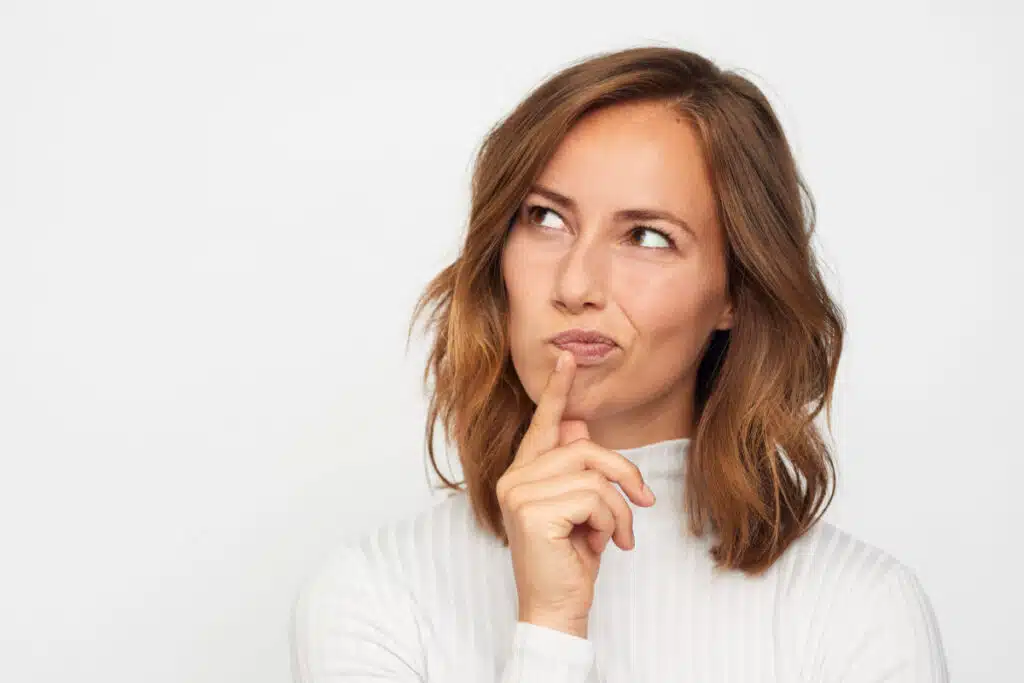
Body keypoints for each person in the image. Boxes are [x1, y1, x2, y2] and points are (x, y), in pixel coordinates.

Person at [289, 46, 949, 682]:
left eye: (648, 236)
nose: (576, 284)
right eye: (545, 218)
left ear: (736, 292)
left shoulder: (859, 611)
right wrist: (550, 627)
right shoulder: (376, 596)